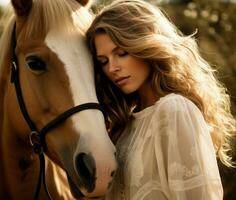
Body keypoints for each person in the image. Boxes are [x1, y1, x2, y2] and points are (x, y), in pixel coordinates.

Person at [86, 0, 236, 199]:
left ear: (146, 45)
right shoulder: (123, 128)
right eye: (103, 61)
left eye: (121, 53)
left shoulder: (174, 110)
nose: (112, 68)